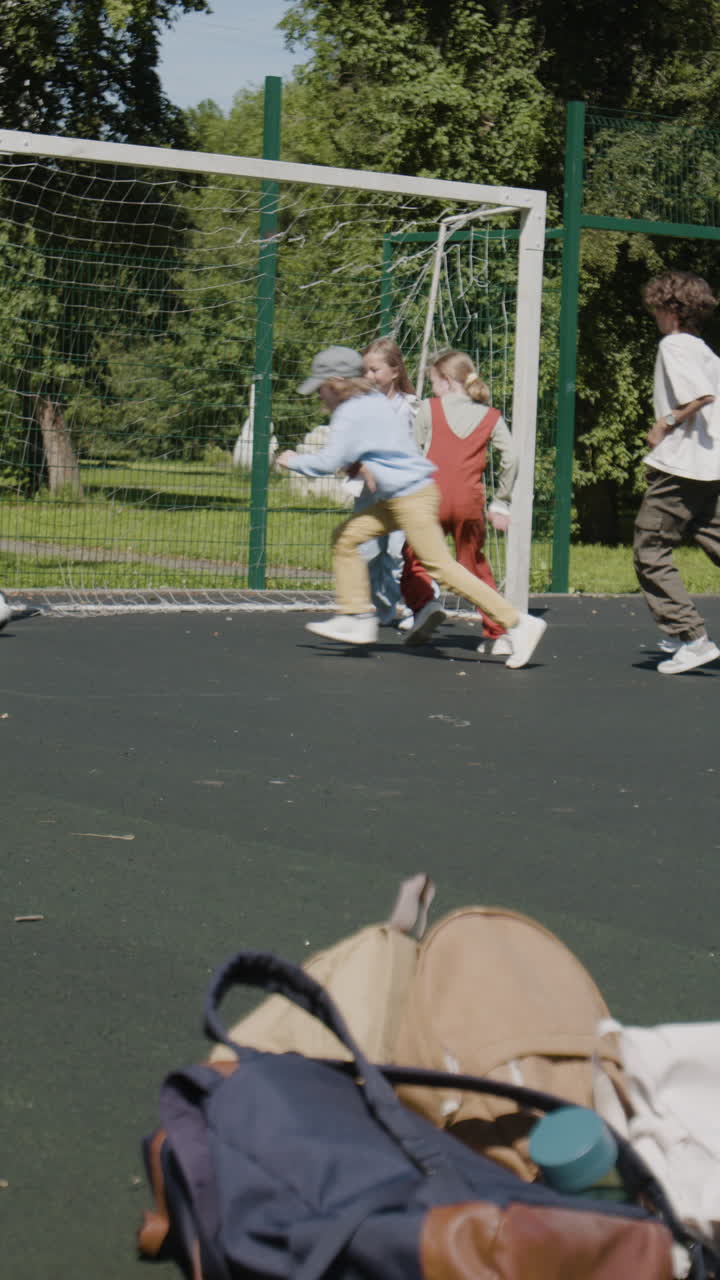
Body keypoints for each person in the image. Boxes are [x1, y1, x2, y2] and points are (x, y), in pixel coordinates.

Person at [276, 345, 546, 669]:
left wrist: (295, 461)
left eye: (321, 388)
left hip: (411, 499)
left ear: (336, 383)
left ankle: (518, 623)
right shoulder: (373, 402)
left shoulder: (352, 411)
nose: (320, 396)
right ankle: (357, 616)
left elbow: (331, 460)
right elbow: (384, 445)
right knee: (347, 537)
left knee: (442, 569)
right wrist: (365, 465)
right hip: (407, 495)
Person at [400, 349, 518, 651]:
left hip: (431, 500)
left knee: (414, 558)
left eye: (434, 382)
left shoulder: (428, 408)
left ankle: (425, 606)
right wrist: (501, 499)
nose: (432, 389)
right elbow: (512, 457)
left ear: (448, 382)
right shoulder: (491, 416)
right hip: (469, 502)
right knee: (473, 565)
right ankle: (499, 633)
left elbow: (413, 454)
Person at [633, 271, 720, 675]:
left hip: (682, 467)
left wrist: (663, 423)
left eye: (656, 307)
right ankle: (679, 633)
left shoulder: (674, 345)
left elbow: (701, 397)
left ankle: (691, 637)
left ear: (671, 308)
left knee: (649, 549)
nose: (653, 314)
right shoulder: (703, 349)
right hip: (709, 465)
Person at [356, 338, 418, 627]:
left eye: (375, 370)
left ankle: (409, 603)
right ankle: (381, 603)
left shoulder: (411, 407)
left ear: (394, 372)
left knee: (396, 552)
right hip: (370, 492)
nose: (369, 376)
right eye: (365, 371)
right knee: (369, 551)